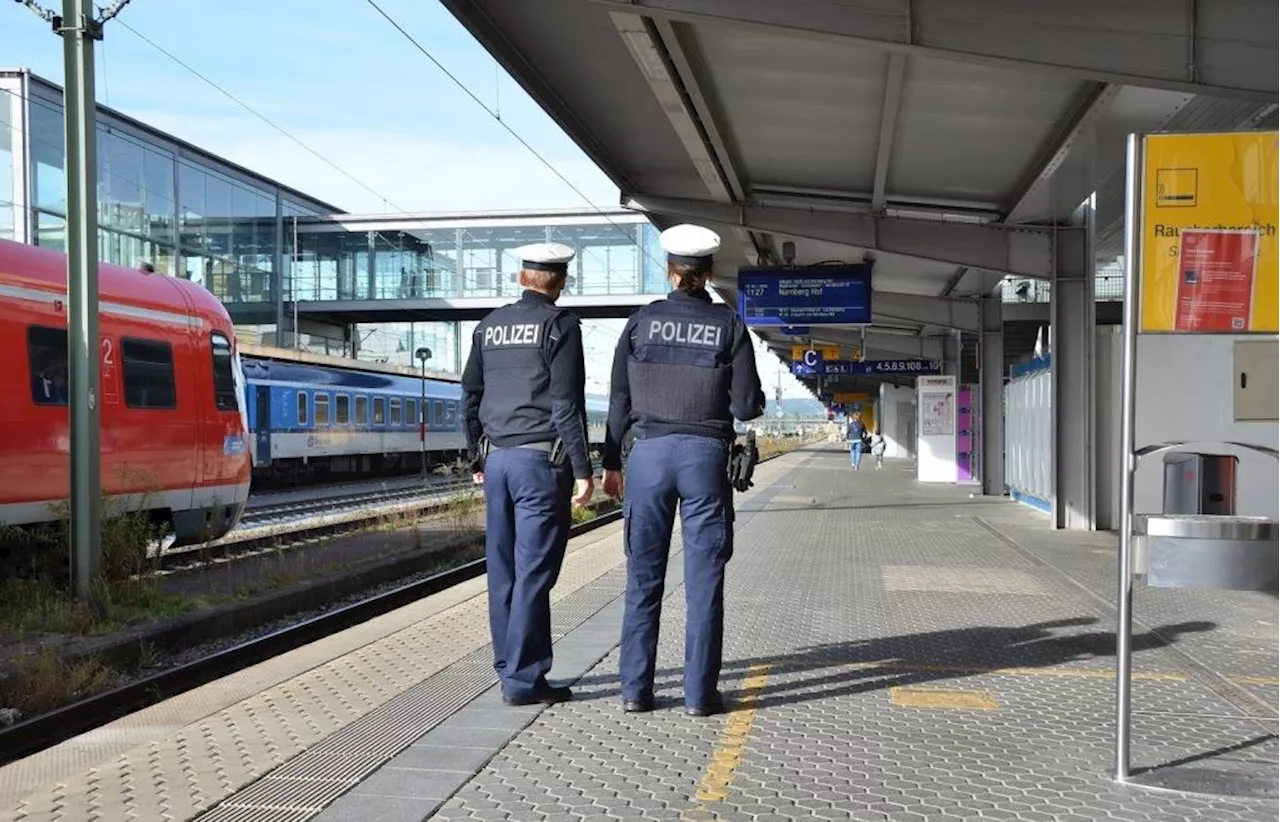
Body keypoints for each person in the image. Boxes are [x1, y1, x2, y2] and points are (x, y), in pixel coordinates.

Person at [601, 223, 766, 717]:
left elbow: (618, 401)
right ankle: (699, 696)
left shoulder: (639, 323)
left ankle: (634, 691)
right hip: (704, 457)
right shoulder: (729, 326)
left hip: (647, 456)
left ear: (670, 271)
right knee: (704, 582)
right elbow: (746, 406)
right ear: (709, 273)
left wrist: (611, 464)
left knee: (643, 579)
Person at [461, 242, 595, 707]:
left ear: (522, 278)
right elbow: (566, 404)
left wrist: (477, 458)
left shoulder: (489, 327)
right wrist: (583, 469)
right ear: (560, 282)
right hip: (539, 464)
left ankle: (509, 667)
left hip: (496, 463)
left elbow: (470, 396)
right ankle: (522, 679)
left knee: (503, 573)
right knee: (535, 573)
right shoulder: (561, 327)